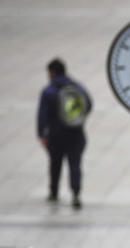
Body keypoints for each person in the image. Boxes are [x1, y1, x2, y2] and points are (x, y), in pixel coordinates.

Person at [37, 58, 92, 210]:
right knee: (75, 164)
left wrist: (42, 134)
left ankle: (54, 192)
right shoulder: (78, 87)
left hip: (56, 135)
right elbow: (89, 104)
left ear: (52, 72)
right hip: (76, 133)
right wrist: (77, 120)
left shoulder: (49, 91)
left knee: (55, 164)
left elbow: (42, 115)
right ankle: (76, 194)